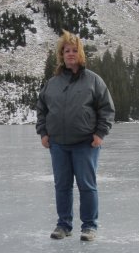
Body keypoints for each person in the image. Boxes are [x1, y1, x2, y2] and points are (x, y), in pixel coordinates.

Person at [36, 30, 115, 241]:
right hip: (58, 144)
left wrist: (100, 133)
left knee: (87, 185)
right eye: (66, 51)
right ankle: (64, 225)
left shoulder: (93, 81)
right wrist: (43, 132)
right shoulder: (52, 84)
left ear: (80, 54)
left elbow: (107, 109)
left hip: (85, 143)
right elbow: (42, 110)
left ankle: (89, 226)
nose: (70, 54)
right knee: (62, 186)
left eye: (74, 50)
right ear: (61, 55)